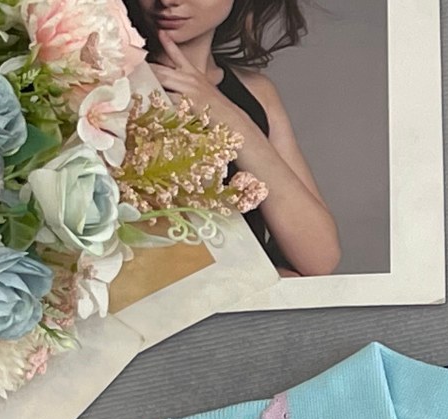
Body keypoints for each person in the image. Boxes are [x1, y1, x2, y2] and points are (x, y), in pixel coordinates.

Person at [133, 0, 340, 275]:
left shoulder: (257, 93)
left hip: (249, 302)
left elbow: (319, 257)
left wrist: (228, 116)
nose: (168, 0)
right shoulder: (107, 93)